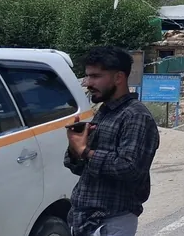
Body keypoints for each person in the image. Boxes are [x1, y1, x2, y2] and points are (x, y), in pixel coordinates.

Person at [64, 46, 160, 236]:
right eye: (87, 76)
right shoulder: (105, 112)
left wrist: (85, 151)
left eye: (95, 76)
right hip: (85, 220)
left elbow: (129, 168)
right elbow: (79, 167)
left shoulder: (136, 116)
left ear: (118, 78)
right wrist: (75, 148)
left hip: (112, 221)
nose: (87, 83)